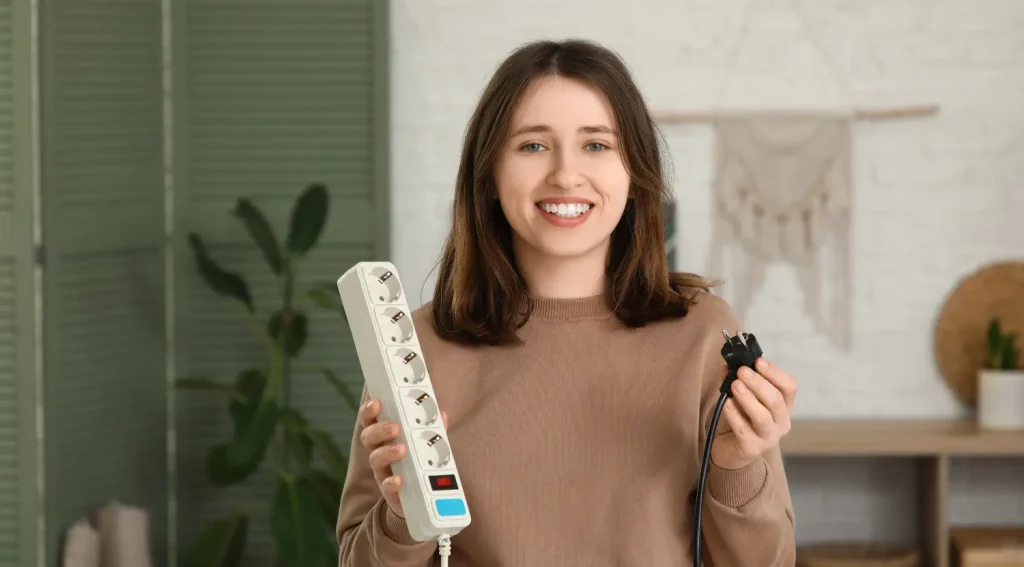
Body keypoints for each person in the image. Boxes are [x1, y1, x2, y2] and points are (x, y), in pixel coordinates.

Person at [337, 38, 797, 566]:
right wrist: (404, 517)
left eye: (596, 145)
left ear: (634, 173)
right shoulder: (415, 350)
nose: (565, 174)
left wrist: (736, 469)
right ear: (487, 173)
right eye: (533, 145)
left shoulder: (704, 334)